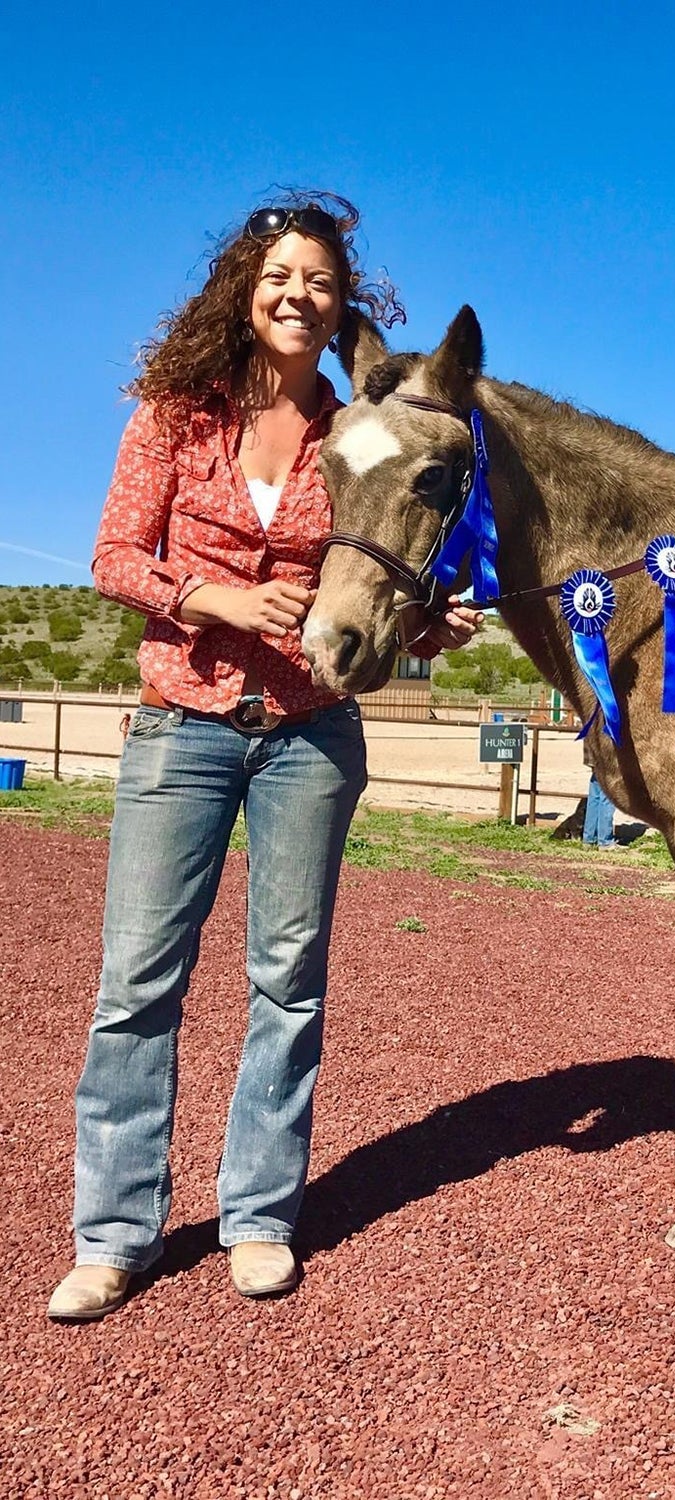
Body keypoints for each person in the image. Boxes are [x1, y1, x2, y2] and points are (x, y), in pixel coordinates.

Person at [48, 196, 480, 1321]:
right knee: (137, 985)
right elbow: (111, 555)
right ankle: (114, 1234)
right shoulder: (174, 416)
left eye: (321, 282)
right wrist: (227, 598)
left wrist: (430, 626)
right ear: (247, 288)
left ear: (344, 307)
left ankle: (258, 1218)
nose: (299, 294)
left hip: (309, 737)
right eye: (281, 275)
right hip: (180, 724)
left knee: (287, 984)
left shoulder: (355, 430)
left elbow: (370, 574)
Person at [580, 734, 618, 848]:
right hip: (605, 757)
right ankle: (605, 840)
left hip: (592, 755)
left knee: (594, 797)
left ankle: (589, 838)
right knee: (607, 798)